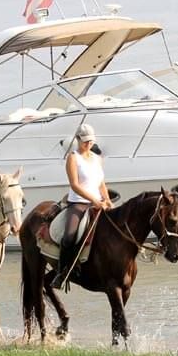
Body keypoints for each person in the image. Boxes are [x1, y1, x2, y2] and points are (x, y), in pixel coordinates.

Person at [52, 123, 112, 288]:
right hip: (79, 203)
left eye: (91, 141)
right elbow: (75, 185)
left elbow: (101, 183)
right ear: (78, 139)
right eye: (85, 141)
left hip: (98, 203)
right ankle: (62, 272)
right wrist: (94, 200)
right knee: (69, 236)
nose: (88, 144)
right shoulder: (73, 158)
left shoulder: (97, 159)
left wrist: (107, 199)